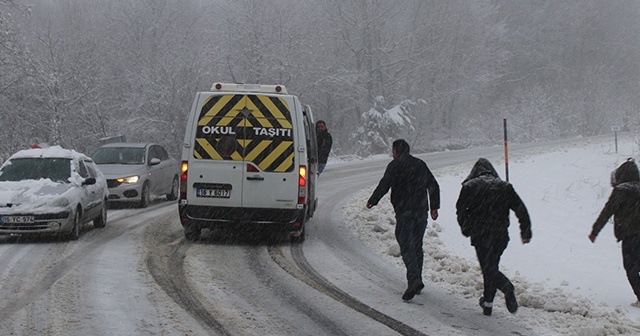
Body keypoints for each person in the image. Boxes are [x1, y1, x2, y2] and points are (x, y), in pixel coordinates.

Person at [455, 158, 531, 316]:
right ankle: (488, 304)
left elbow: (461, 210)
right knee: (491, 267)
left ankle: (507, 288)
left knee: (488, 269)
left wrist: (466, 227)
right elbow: (520, 209)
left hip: (481, 235)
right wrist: (526, 230)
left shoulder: (469, 187)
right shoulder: (504, 187)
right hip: (500, 235)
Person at [366, 139, 440, 301]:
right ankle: (418, 280)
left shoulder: (395, 165)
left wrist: (373, 199)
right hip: (421, 210)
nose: (392, 155)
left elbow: (385, 184)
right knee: (417, 244)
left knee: (406, 246)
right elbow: (433, 184)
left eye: (393, 152)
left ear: (396, 152)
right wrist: (434, 206)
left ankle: (414, 280)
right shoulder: (420, 164)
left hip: (405, 210)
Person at [589, 158, 640, 308]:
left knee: (631, 266)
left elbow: (608, 211)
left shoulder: (621, 191)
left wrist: (595, 231)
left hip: (630, 235)